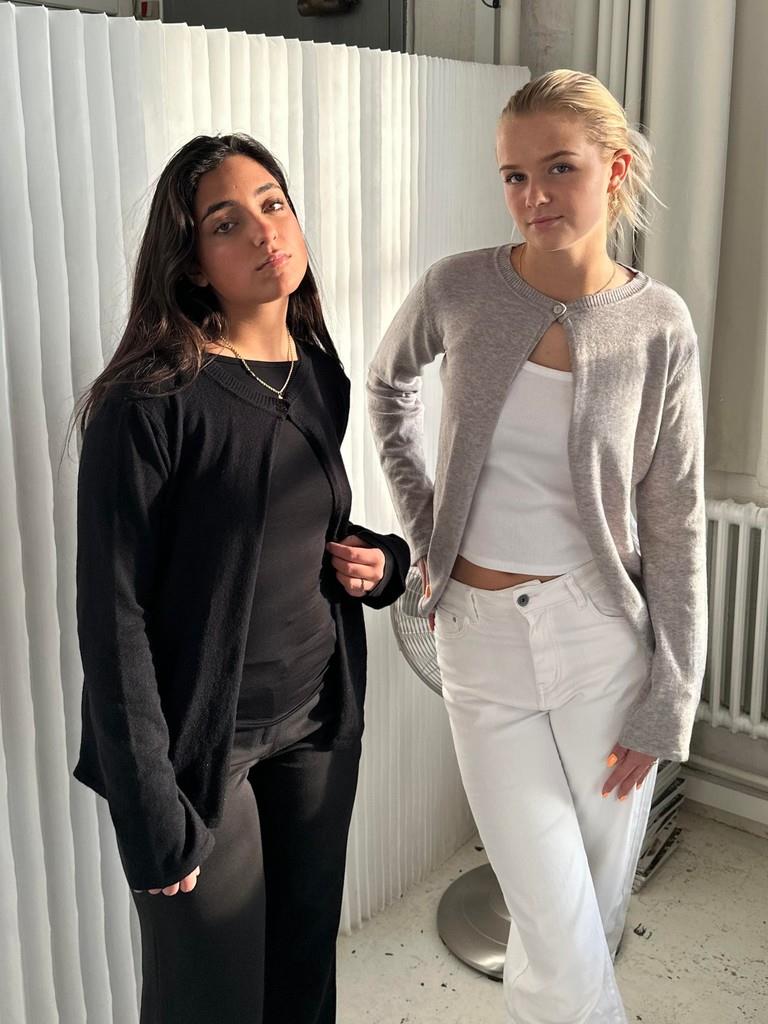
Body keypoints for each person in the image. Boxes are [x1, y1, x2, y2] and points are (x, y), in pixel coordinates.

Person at [367, 69, 707, 1023]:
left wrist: (672, 694)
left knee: (592, 905)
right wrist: (425, 524)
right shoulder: (459, 287)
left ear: (615, 170)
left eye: (560, 168)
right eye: (514, 176)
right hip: (478, 642)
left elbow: (675, 518)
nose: (533, 196)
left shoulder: (659, 324)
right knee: (552, 915)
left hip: (601, 638)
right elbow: (387, 387)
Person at [73, 132, 409, 1024]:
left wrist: (384, 562)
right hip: (199, 751)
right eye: (227, 222)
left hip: (315, 725)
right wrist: (151, 815)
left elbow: (302, 526)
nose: (264, 231)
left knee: (303, 979)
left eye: (273, 203)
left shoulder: (317, 370)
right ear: (191, 262)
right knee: (209, 1001)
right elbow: (112, 617)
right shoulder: (147, 401)